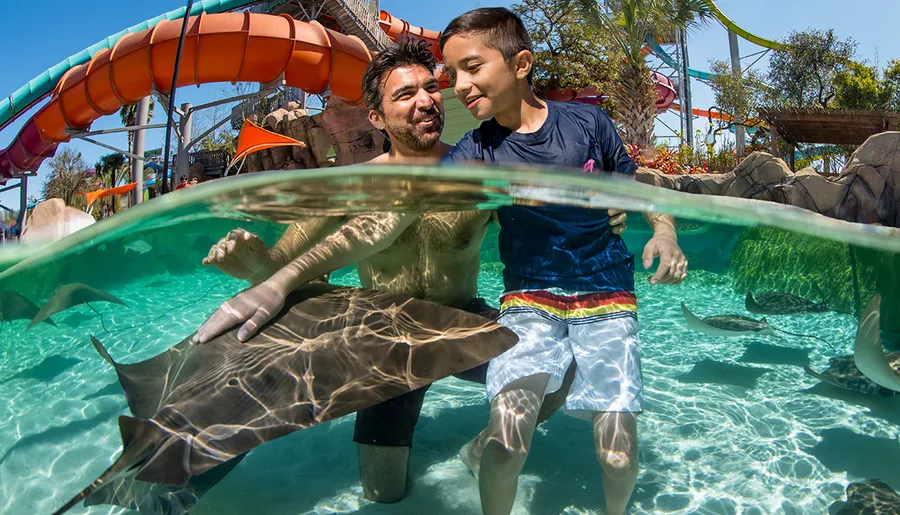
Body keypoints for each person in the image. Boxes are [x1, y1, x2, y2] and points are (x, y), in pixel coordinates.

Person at [195, 37, 636, 504]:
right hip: (387, 336)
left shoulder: (479, 169)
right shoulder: (355, 184)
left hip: (461, 320)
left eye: (430, 88)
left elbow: (549, 230)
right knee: (383, 493)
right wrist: (255, 266)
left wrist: (604, 210)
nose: (426, 100)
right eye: (405, 94)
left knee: (564, 368)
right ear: (376, 117)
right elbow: (285, 265)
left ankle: (481, 446)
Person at [436, 8, 689, 515]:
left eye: (471, 67)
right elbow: (436, 197)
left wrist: (665, 230)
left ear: (521, 63)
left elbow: (633, 189)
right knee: (506, 444)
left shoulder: (588, 124)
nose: (458, 86)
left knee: (616, 457)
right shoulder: (475, 150)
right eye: (452, 75)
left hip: (606, 294)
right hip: (528, 298)